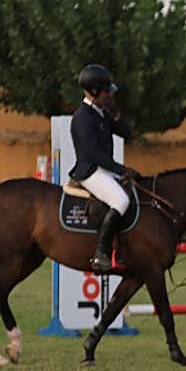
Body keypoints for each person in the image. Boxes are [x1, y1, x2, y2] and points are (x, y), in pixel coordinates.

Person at [68, 64, 135, 273]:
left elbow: (126, 133)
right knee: (121, 200)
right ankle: (100, 253)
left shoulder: (101, 113)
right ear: (94, 91)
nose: (109, 94)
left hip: (103, 169)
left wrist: (116, 113)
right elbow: (92, 153)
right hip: (89, 171)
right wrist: (121, 169)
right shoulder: (82, 117)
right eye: (106, 91)